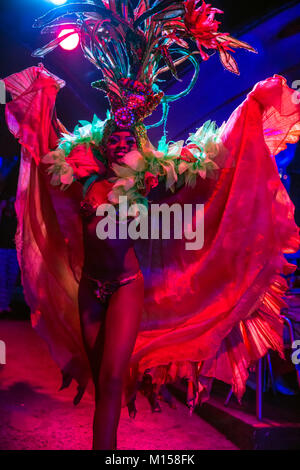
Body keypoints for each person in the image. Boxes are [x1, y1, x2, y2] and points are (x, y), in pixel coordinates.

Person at [3, 0, 300, 450]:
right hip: (90, 288)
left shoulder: (151, 173)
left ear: (138, 141)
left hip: (125, 287)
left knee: (113, 374)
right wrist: (40, 99)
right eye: (113, 131)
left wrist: (250, 112)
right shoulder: (77, 166)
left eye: (129, 132)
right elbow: (47, 142)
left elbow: (211, 160)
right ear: (102, 137)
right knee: (105, 384)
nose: (120, 136)